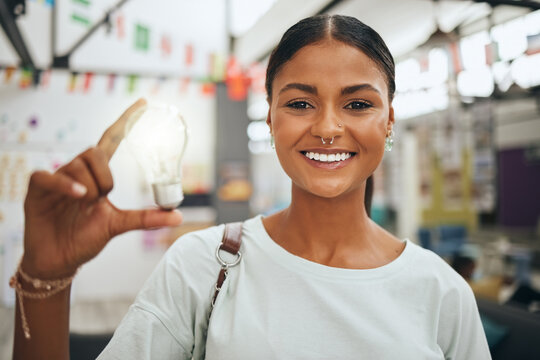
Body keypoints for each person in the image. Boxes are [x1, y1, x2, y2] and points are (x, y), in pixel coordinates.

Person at [12, 15, 491, 359]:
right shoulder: (201, 265)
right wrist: (44, 279)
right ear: (270, 118)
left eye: (358, 104)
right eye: (300, 103)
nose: (327, 127)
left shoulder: (441, 293)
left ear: (389, 120)